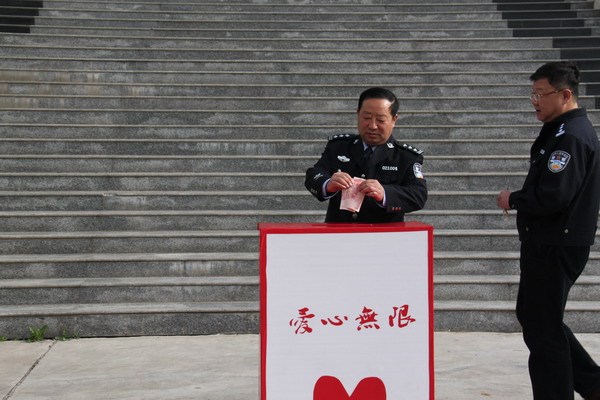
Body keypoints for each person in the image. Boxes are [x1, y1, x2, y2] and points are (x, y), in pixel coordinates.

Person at [496, 61, 600, 400]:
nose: (535, 101)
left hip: (556, 243)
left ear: (565, 95)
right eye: (533, 94)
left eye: (541, 94)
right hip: (550, 240)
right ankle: (593, 385)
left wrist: (514, 199)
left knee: (543, 329)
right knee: (536, 318)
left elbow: (555, 195)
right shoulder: (562, 130)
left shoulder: (570, 136)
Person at [305, 87, 427, 223]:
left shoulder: (406, 157)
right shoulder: (339, 147)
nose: (373, 126)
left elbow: (418, 195)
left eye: (380, 120)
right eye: (367, 118)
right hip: (340, 231)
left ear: (394, 119)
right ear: (358, 114)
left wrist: (384, 193)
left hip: (384, 233)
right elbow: (314, 174)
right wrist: (328, 184)